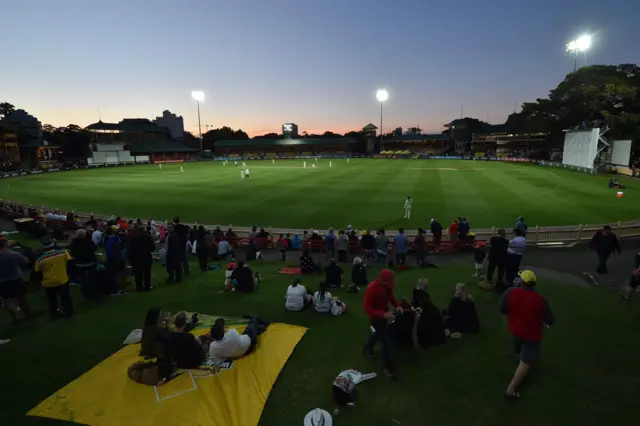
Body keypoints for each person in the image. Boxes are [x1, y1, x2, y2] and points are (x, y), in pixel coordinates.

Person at [500, 270, 554, 399]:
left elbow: (502, 308)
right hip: (531, 334)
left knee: (519, 343)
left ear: (522, 282)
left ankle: (518, 358)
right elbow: (550, 320)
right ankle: (511, 390)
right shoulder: (541, 301)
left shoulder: (510, 292)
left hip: (515, 328)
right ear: (534, 284)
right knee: (527, 360)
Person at [363, 269, 402, 379]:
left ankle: (368, 346)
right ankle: (387, 367)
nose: (390, 286)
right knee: (387, 342)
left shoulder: (387, 287)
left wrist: (397, 305)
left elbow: (391, 298)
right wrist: (383, 314)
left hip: (384, 317)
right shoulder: (371, 289)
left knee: (379, 334)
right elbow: (366, 308)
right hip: (376, 318)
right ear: (382, 280)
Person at [35, 236, 74, 320]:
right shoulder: (63, 252)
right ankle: (69, 313)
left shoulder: (40, 259)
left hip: (48, 283)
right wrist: (68, 274)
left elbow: (37, 272)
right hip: (62, 279)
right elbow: (70, 263)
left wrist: (40, 283)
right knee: (65, 298)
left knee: (52, 300)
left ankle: (54, 314)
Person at [0, 238, 33, 322]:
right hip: (16, 280)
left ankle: (15, 318)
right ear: (5, 245)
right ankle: (27, 315)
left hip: (2, 283)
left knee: (8, 301)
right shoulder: (13, 254)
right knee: (22, 299)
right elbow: (25, 261)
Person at [68, 229, 100, 300]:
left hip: (80, 264)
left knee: (83, 279)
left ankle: (86, 295)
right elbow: (94, 248)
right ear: (84, 235)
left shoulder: (74, 243)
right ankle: (94, 294)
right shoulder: (88, 242)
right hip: (90, 262)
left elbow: (72, 253)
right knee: (92, 278)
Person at [129, 227, 156, 292]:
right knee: (147, 273)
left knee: (138, 273)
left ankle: (139, 287)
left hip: (137, 258)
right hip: (146, 257)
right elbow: (153, 247)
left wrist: (131, 258)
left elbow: (131, 249)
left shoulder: (134, 238)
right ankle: (147, 286)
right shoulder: (148, 238)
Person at [105, 227, 126, 295]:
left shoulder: (109, 242)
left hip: (114, 260)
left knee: (112, 275)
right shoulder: (117, 238)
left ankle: (115, 291)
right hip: (120, 258)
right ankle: (122, 289)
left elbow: (109, 254)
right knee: (121, 275)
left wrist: (108, 261)